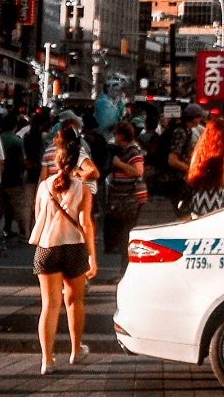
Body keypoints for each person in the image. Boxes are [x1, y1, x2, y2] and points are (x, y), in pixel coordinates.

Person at [32, 122, 98, 375]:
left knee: (49, 305)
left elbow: (39, 217)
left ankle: (46, 360)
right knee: (75, 300)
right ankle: (75, 349)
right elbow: (86, 223)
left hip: (47, 247)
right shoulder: (83, 187)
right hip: (74, 247)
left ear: (57, 161)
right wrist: (92, 256)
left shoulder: (44, 186)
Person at [102, 121, 145, 268]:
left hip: (130, 198)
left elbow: (138, 170)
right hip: (123, 197)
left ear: (121, 135)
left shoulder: (132, 150)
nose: (114, 137)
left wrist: (119, 164)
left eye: (115, 134)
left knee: (125, 233)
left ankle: (125, 268)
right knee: (122, 233)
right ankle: (124, 266)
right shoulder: (123, 149)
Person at [185, 115, 224, 218]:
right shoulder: (221, 154)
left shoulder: (199, 151)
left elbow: (191, 173)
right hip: (214, 198)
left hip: (197, 196)